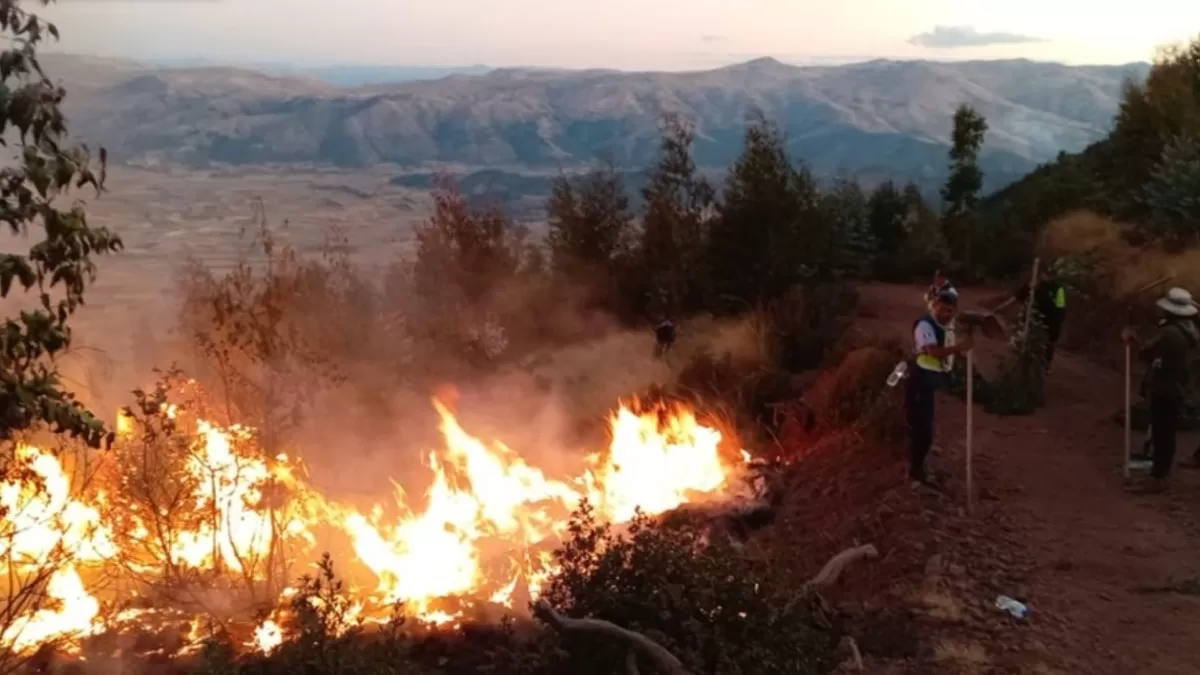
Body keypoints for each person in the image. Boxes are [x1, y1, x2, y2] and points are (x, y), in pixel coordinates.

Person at [1121, 287, 1199, 493]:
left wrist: (1131, 339)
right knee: (1166, 432)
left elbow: (1146, 353)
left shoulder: (1170, 333)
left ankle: (1158, 477)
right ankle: (1159, 472)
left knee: (1162, 432)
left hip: (1167, 388)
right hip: (1179, 386)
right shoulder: (1189, 329)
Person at [907, 289, 974, 487]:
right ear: (935, 305)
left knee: (926, 427)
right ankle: (916, 472)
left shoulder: (942, 327)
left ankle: (920, 467)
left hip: (928, 380)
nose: (948, 315)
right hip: (918, 380)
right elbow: (933, 351)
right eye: (944, 310)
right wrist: (960, 348)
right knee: (922, 430)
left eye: (951, 311)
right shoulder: (924, 325)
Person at [994, 264, 1068, 372]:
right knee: (1024, 342)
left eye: (1049, 274)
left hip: (1050, 323)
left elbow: (1061, 308)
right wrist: (999, 309)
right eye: (1045, 273)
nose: (1047, 276)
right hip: (1035, 322)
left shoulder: (1057, 288)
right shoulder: (1034, 286)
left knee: (1047, 347)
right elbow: (1016, 298)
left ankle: (1042, 368)